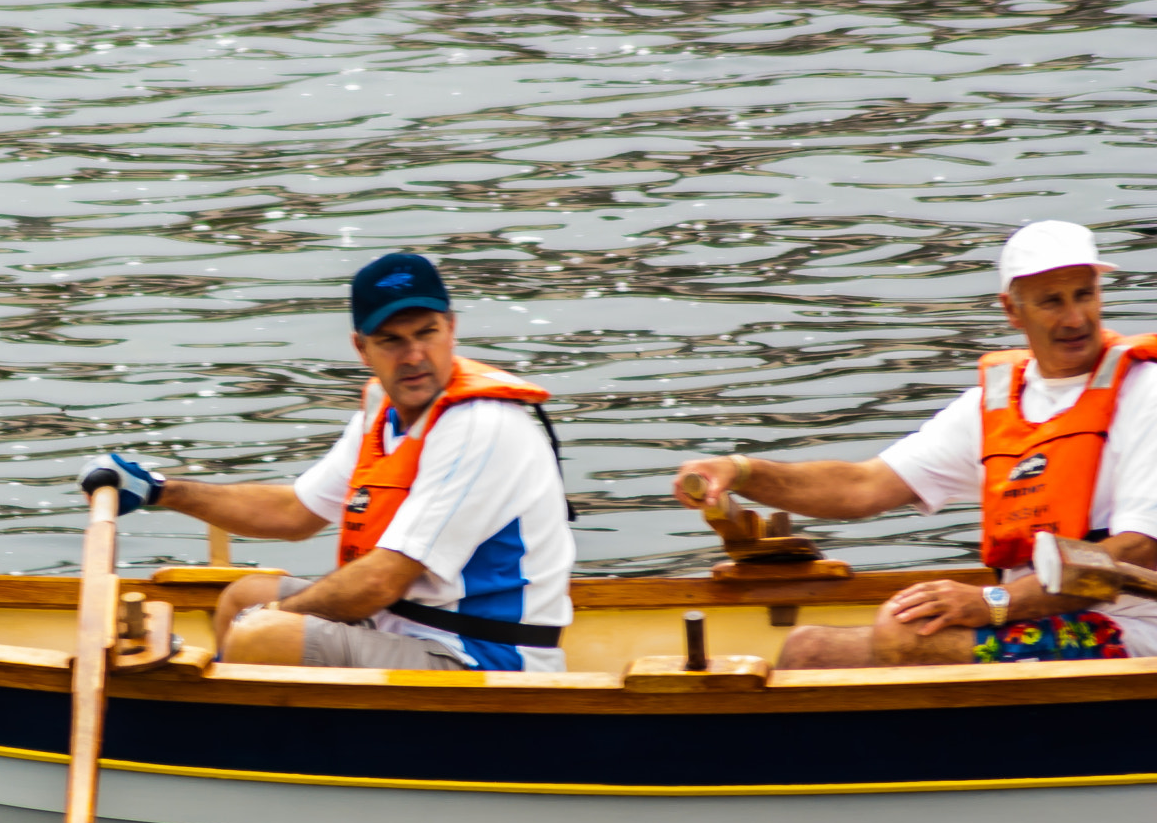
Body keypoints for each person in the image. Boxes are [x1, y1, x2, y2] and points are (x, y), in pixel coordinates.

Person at [673, 220, 1157, 668]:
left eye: (1085, 295)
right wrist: (740, 471)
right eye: (1053, 301)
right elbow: (860, 486)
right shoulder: (992, 408)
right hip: (1036, 616)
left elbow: (1135, 550)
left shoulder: (1145, 392)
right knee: (808, 651)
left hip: (1134, 624)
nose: (1076, 318)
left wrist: (992, 602)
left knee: (904, 637)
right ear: (1013, 310)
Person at [80, 252, 574, 671]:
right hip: (406, 624)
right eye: (392, 341)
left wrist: (275, 616)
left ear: (452, 328)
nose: (414, 355)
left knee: (260, 633)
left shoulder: (479, 427)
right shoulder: (385, 413)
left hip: (486, 657)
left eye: (428, 332)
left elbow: (381, 579)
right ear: (362, 348)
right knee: (239, 598)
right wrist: (160, 490)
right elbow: (294, 512)